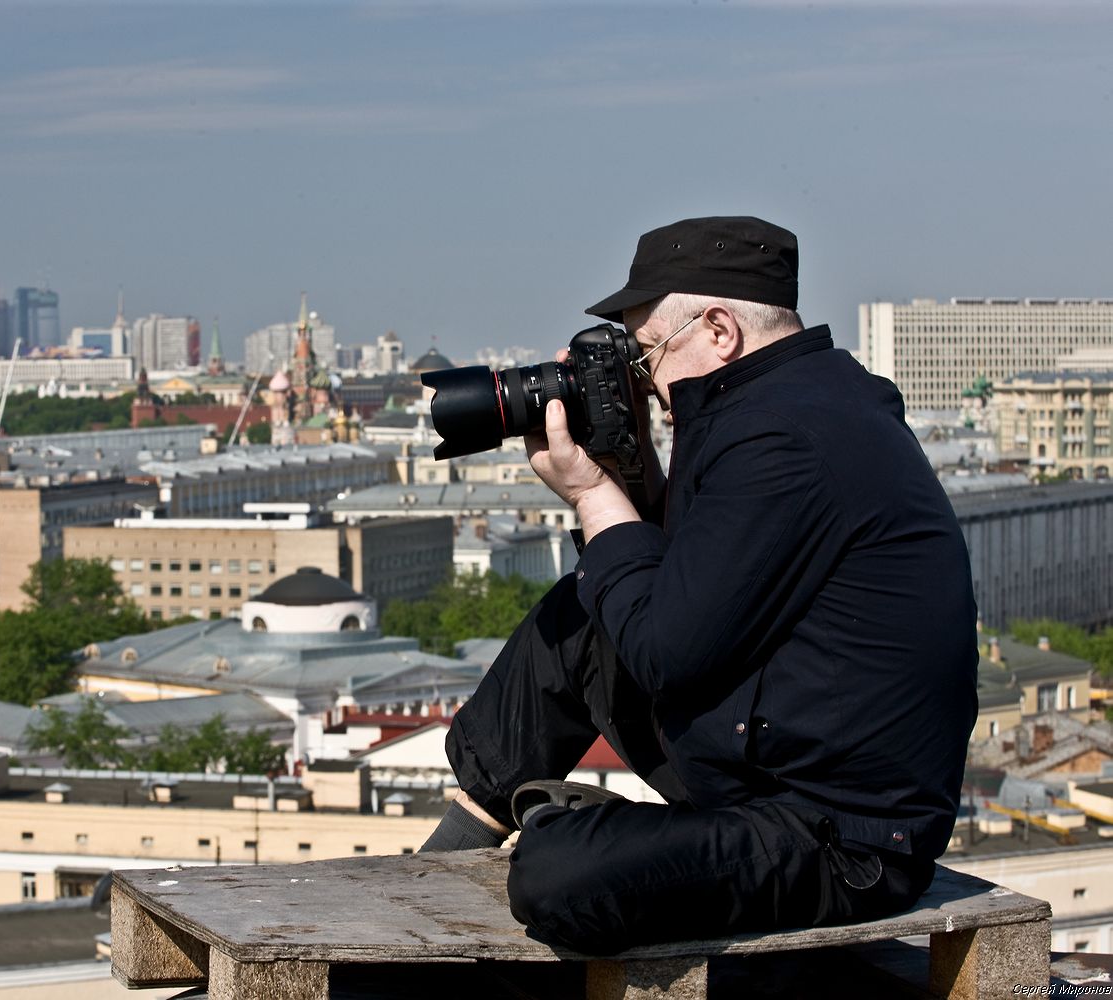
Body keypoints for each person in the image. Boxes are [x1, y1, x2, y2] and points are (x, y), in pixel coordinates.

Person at [418, 216, 979, 954]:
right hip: (769, 756)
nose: (644, 381)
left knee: (557, 880)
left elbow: (667, 651)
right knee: (579, 615)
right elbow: (688, 583)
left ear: (719, 330)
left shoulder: (785, 440)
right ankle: (455, 848)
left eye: (646, 354)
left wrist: (592, 496)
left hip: (842, 835)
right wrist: (633, 470)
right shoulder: (790, 404)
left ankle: (567, 824)